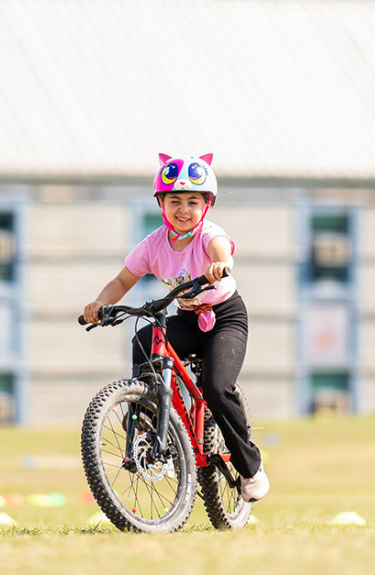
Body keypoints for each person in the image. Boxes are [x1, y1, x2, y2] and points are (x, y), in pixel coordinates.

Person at [83, 153, 269, 502]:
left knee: (217, 387)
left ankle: (251, 468)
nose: (183, 209)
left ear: (206, 205)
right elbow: (122, 280)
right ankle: (153, 420)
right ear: (161, 204)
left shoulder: (209, 235)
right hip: (186, 317)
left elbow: (221, 251)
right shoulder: (153, 244)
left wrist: (219, 266)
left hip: (224, 318)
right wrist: (100, 304)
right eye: (174, 201)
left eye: (192, 202)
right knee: (144, 339)